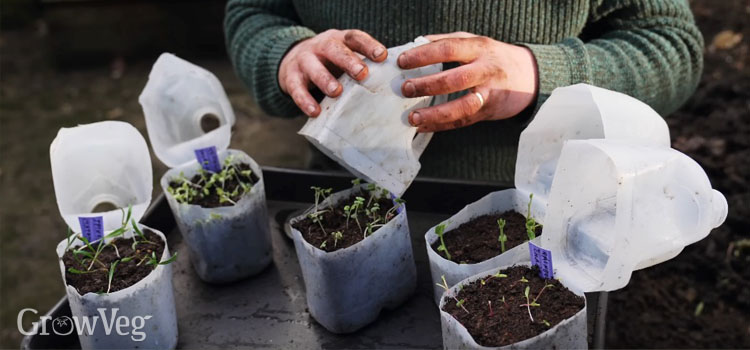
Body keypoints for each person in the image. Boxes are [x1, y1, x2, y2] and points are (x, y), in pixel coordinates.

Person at [224, 0, 703, 183]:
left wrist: (539, 72)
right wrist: (287, 55)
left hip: (538, 205)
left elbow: (671, 46)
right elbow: (253, 14)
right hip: (342, 191)